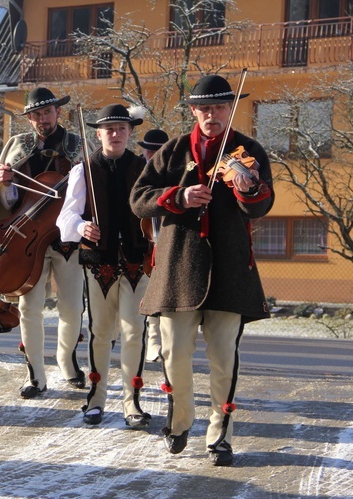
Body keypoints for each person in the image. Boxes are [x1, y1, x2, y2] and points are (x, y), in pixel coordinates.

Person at [130, 74, 274, 466]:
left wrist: (248, 189)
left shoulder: (249, 149)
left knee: (224, 360)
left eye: (219, 108)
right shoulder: (173, 152)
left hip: (230, 270)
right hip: (179, 270)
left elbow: (261, 206)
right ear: (194, 111)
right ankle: (179, 424)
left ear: (230, 109)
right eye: (204, 108)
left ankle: (220, 437)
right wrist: (179, 195)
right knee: (174, 354)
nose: (211, 115)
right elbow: (139, 200)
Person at [57, 104, 154, 429]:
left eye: (121, 129)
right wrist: (82, 227)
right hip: (99, 264)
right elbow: (66, 217)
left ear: (129, 133)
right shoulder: (83, 169)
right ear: (98, 134)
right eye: (109, 129)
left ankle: (132, 403)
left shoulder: (143, 167)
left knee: (133, 332)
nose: (115, 134)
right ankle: (96, 399)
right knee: (100, 333)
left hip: (136, 262)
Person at [0, 87, 85, 399]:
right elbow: (7, 200)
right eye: (35, 114)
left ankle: (67, 361)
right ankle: (36, 375)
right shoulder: (16, 146)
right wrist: (7, 184)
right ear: (29, 118)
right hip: (26, 239)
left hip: (66, 239)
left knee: (71, 307)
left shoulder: (78, 145)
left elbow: (91, 194)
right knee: (29, 307)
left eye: (46, 112)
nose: (41, 119)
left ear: (58, 112)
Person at [137, 128, 170, 363]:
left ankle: (157, 340)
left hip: (166, 241)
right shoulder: (138, 173)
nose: (154, 155)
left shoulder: (175, 172)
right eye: (150, 151)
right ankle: (150, 339)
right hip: (143, 243)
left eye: (159, 151)